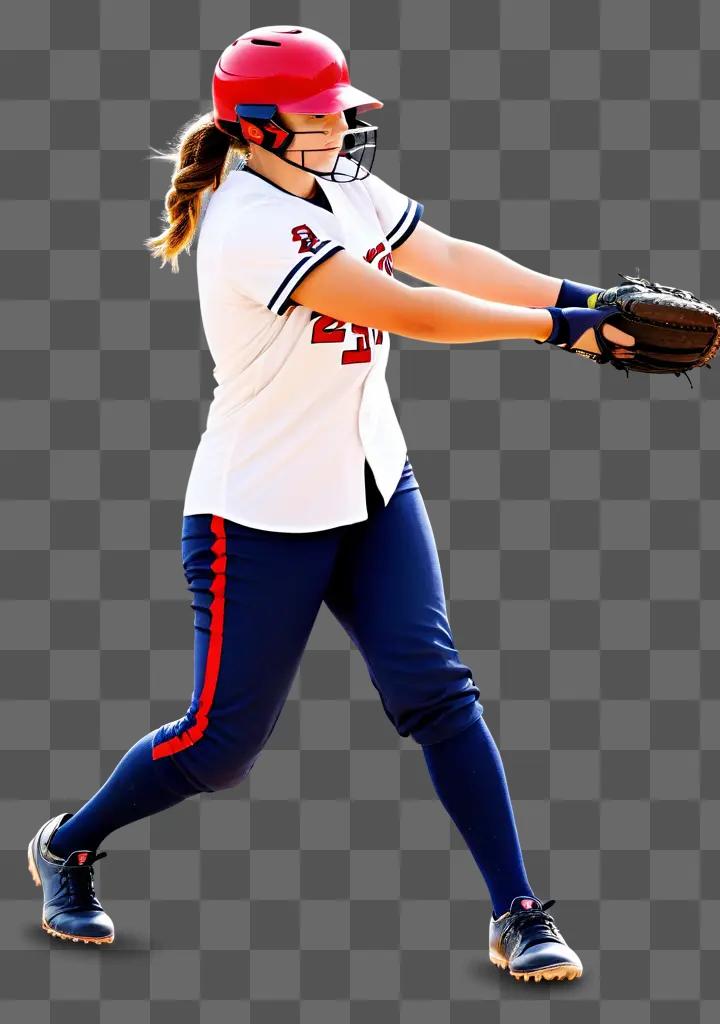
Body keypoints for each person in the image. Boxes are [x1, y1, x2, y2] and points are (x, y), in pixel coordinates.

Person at [27, 24, 634, 983]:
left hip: (371, 484)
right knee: (217, 747)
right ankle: (69, 844)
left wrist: (590, 298)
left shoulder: (338, 182)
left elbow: (448, 259)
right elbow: (409, 310)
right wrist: (561, 332)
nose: (343, 127)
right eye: (318, 115)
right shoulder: (247, 223)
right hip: (258, 514)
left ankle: (517, 910)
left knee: (437, 690)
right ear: (258, 129)